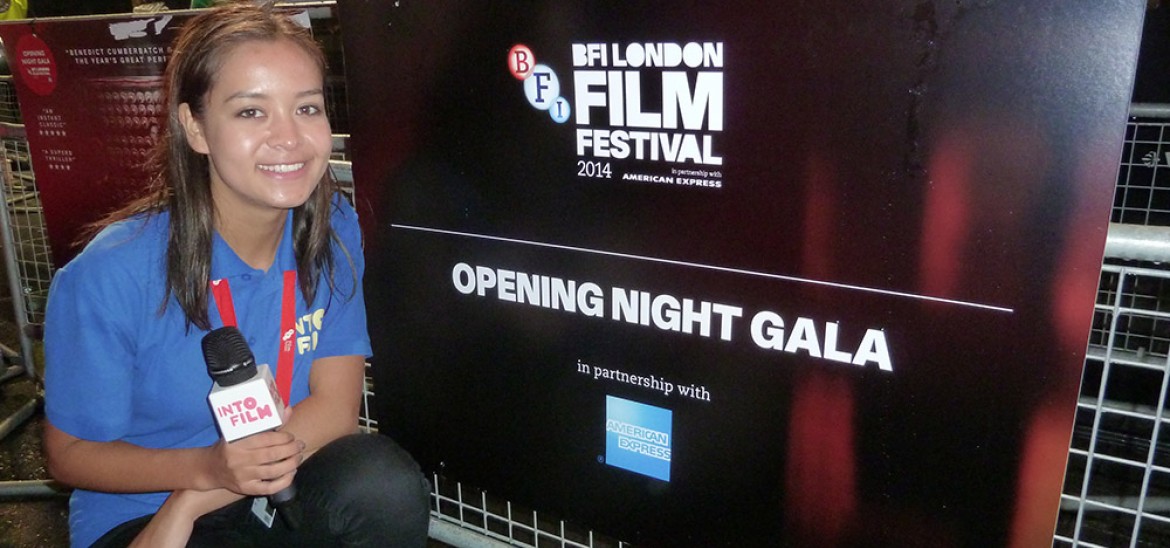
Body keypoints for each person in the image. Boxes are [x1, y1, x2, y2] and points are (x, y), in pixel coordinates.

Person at [41, 2, 431, 546]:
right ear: (194, 128)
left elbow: (336, 409)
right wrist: (203, 471)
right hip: (145, 514)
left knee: (380, 483)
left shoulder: (332, 228)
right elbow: (71, 454)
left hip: (258, 485)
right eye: (251, 112)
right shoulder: (112, 274)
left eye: (307, 108)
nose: (288, 138)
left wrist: (206, 490)